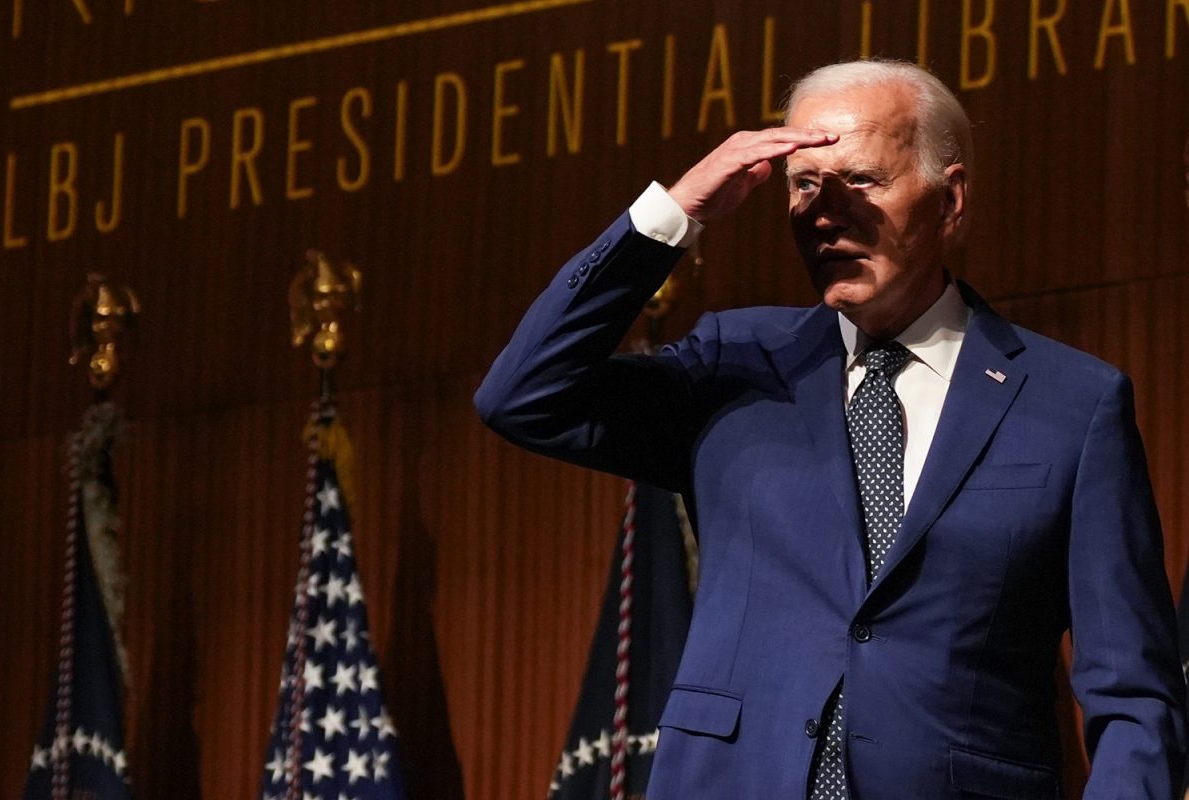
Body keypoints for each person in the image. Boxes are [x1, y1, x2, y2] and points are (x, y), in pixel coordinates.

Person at [475, 59, 1186, 799]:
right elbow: (524, 394)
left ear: (951, 199)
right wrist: (675, 213)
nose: (823, 212)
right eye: (805, 184)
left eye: (864, 181)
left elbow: (1133, 694)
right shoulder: (735, 364)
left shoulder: (1073, 404)